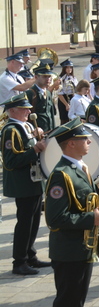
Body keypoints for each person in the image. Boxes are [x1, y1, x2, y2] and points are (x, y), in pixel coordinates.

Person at [44, 118, 99, 307]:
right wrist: (91, 219)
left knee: (76, 304)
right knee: (67, 306)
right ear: (71, 143)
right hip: (69, 251)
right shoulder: (61, 175)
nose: (89, 141)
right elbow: (55, 218)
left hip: (82, 248)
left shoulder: (81, 169)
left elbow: (90, 206)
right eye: (84, 138)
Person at [2, 93, 49, 276]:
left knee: (34, 221)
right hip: (23, 184)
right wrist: (35, 148)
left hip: (33, 182)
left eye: (28, 108)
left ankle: (30, 255)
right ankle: (19, 261)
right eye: (24, 109)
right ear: (13, 111)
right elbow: (11, 161)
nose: (29, 111)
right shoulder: (11, 130)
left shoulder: (26, 126)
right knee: (25, 223)